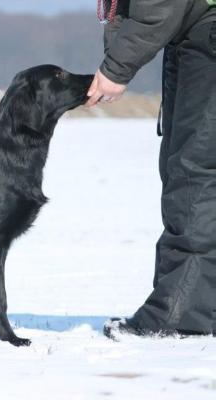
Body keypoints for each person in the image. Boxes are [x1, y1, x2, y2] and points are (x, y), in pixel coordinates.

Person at [86, 0, 216, 338]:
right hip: (197, 33)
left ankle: (182, 314)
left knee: (194, 171)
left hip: (207, 35)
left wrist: (116, 67)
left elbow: (161, 4)